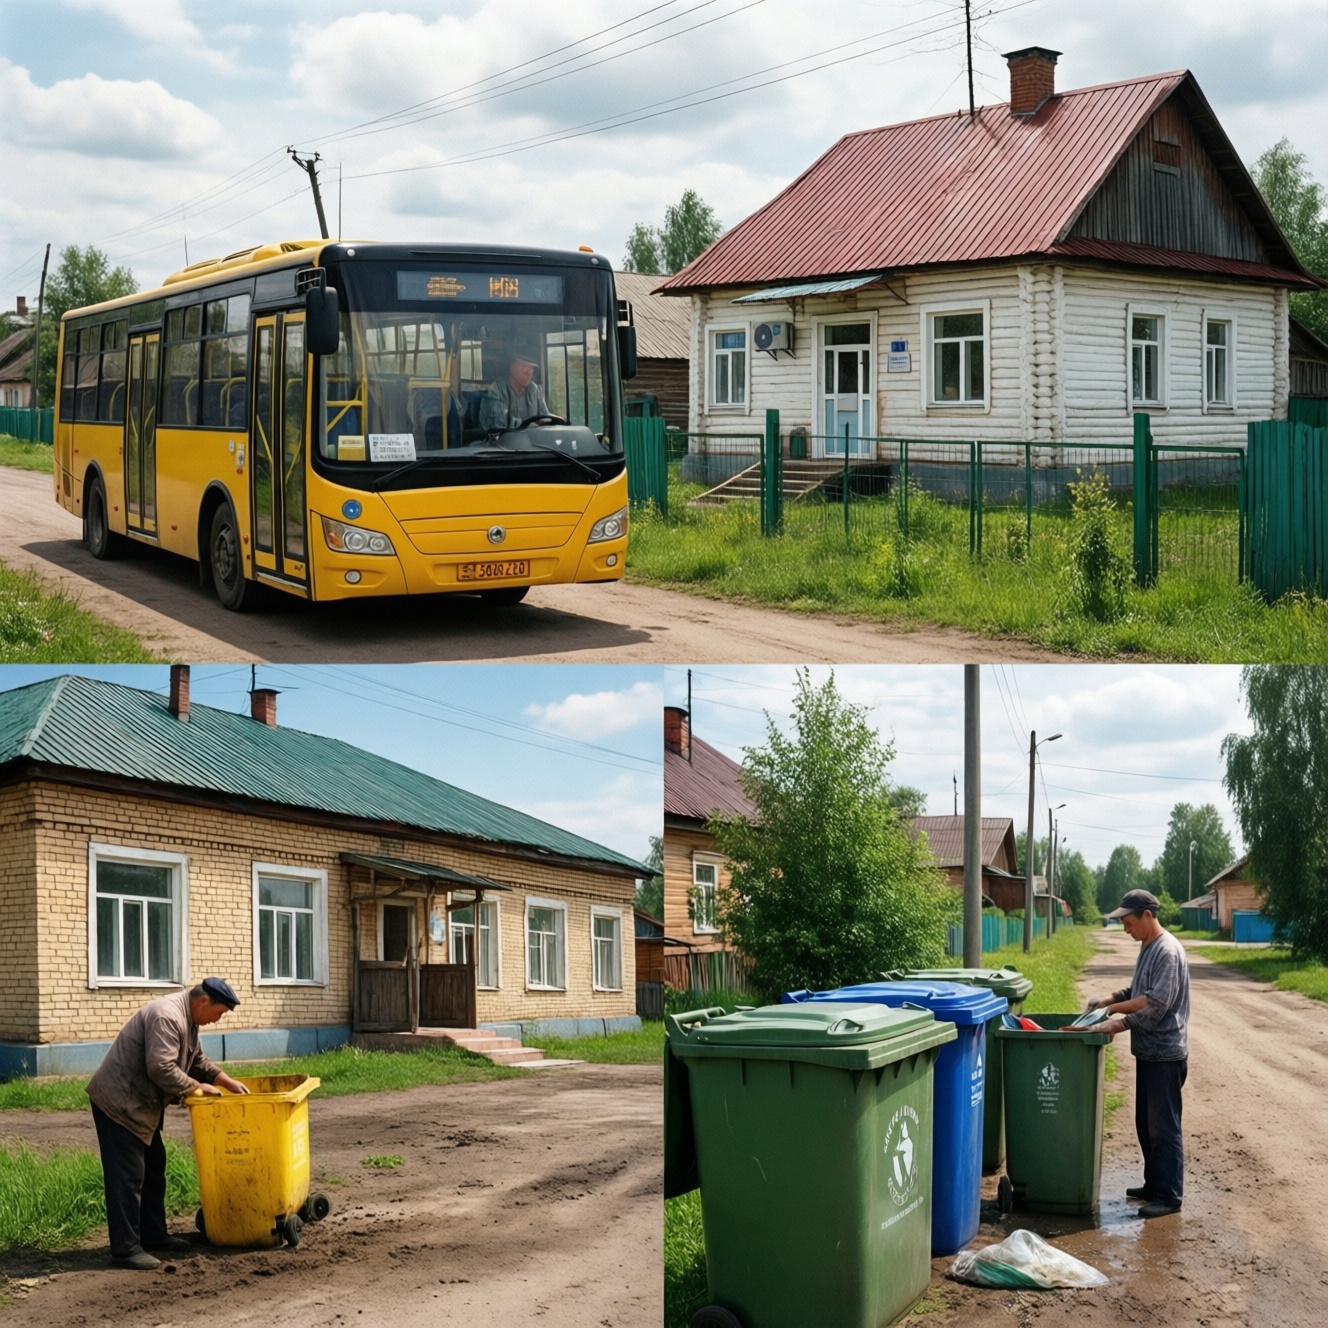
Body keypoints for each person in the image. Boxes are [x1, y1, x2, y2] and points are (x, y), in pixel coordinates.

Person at [86, 978, 250, 1269]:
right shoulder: (167, 1016)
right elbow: (160, 1067)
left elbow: (196, 1059)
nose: (218, 1020)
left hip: (140, 1103)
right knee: (128, 1175)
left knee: (153, 1167)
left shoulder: (188, 1020)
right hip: (120, 1102)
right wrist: (196, 1088)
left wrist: (226, 1081)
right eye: (219, 1013)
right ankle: (125, 1250)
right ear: (203, 1002)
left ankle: (154, 1235)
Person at [1086, 889, 1191, 1218]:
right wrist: (1109, 999)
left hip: (1165, 1054)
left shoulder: (1168, 952)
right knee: (1146, 1124)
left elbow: (1156, 1005)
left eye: (1129, 922)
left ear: (1148, 915)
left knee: (1164, 1127)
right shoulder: (1148, 946)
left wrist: (1115, 1023)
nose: (1126, 929)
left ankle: (1169, 1195)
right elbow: (1139, 992)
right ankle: (1154, 1184)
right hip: (1148, 1053)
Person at [479, 343, 551, 431]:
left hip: (529, 441)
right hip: (496, 442)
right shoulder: (497, 390)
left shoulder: (534, 389)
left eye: (532, 368)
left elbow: (546, 416)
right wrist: (527, 427)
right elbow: (499, 428)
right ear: (511, 366)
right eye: (523, 366)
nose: (528, 372)